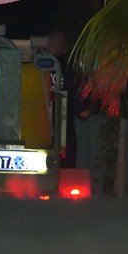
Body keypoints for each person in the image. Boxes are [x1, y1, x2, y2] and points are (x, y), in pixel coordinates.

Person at [47, 29, 92, 168]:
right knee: (63, 182)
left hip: (30, 140)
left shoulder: (30, 68)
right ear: (66, 49)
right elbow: (84, 112)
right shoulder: (70, 72)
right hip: (62, 144)